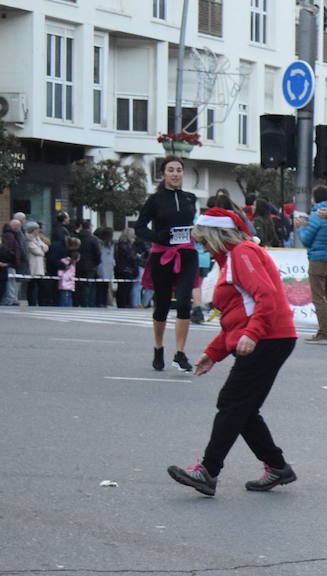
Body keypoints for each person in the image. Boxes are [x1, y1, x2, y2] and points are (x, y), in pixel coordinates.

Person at [167, 208, 300, 496]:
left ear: (216, 235)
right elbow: (236, 315)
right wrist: (213, 353)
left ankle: (208, 470)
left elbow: (266, 297)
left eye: (202, 239)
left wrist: (252, 334)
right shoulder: (232, 257)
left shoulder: (242, 253)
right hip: (269, 336)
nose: (200, 245)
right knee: (241, 407)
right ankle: (277, 466)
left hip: (268, 337)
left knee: (232, 403)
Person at [134, 157, 198, 371]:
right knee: (161, 305)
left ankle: (180, 353)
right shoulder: (155, 199)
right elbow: (140, 227)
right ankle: (158, 347)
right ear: (163, 174)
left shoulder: (190, 198)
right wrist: (157, 236)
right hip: (162, 256)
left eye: (179, 170)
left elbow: (193, 224)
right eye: (171, 170)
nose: (175, 174)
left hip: (187, 254)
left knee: (183, 302)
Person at [298, 185, 327, 344]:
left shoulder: (317, 216)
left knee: (318, 297)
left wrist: (300, 227)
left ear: (315, 198)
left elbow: (306, 239)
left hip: (317, 259)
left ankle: (324, 332)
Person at [113, 228, 141, 308]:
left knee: (122, 287)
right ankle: (124, 303)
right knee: (125, 288)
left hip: (120, 268)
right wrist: (138, 257)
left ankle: (122, 303)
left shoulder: (119, 244)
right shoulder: (126, 245)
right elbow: (131, 257)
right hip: (127, 269)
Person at [25, 222, 49, 307]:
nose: (38, 231)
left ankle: (41, 301)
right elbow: (35, 251)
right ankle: (31, 301)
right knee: (32, 284)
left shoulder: (38, 238)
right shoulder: (28, 239)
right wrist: (41, 248)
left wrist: (41, 247)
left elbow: (46, 247)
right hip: (33, 264)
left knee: (41, 285)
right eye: (36, 229)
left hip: (40, 265)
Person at [56, 237, 79, 307]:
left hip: (69, 284)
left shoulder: (71, 264)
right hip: (64, 283)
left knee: (68, 297)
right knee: (65, 298)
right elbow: (60, 273)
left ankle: (68, 307)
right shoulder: (66, 262)